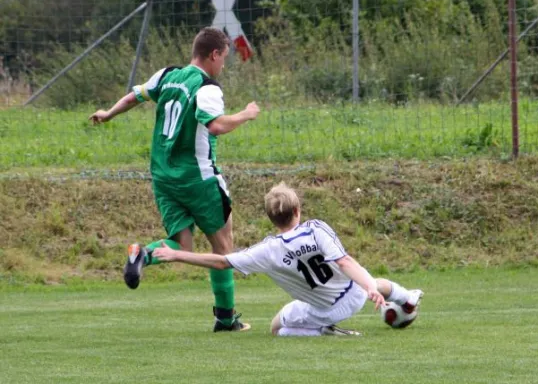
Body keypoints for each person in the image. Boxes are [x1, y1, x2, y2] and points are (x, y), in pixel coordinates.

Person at [89, 27, 259, 332]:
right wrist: (246, 114)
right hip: (199, 178)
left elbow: (134, 96)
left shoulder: (167, 74)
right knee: (223, 249)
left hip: (163, 176)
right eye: (224, 59)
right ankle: (225, 317)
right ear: (214, 54)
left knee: (182, 243)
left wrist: (108, 113)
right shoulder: (208, 88)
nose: (224, 66)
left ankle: (143, 254)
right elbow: (217, 126)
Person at [153, 182, 423, 336]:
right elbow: (345, 262)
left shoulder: (268, 250)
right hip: (354, 293)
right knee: (376, 281)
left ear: (271, 218)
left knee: (276, 329)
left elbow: (222, 262)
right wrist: (370, 287)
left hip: (324, 310)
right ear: (298, 210)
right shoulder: (316, 228)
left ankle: (324, 331)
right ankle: (406, 298)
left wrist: (177, 254)